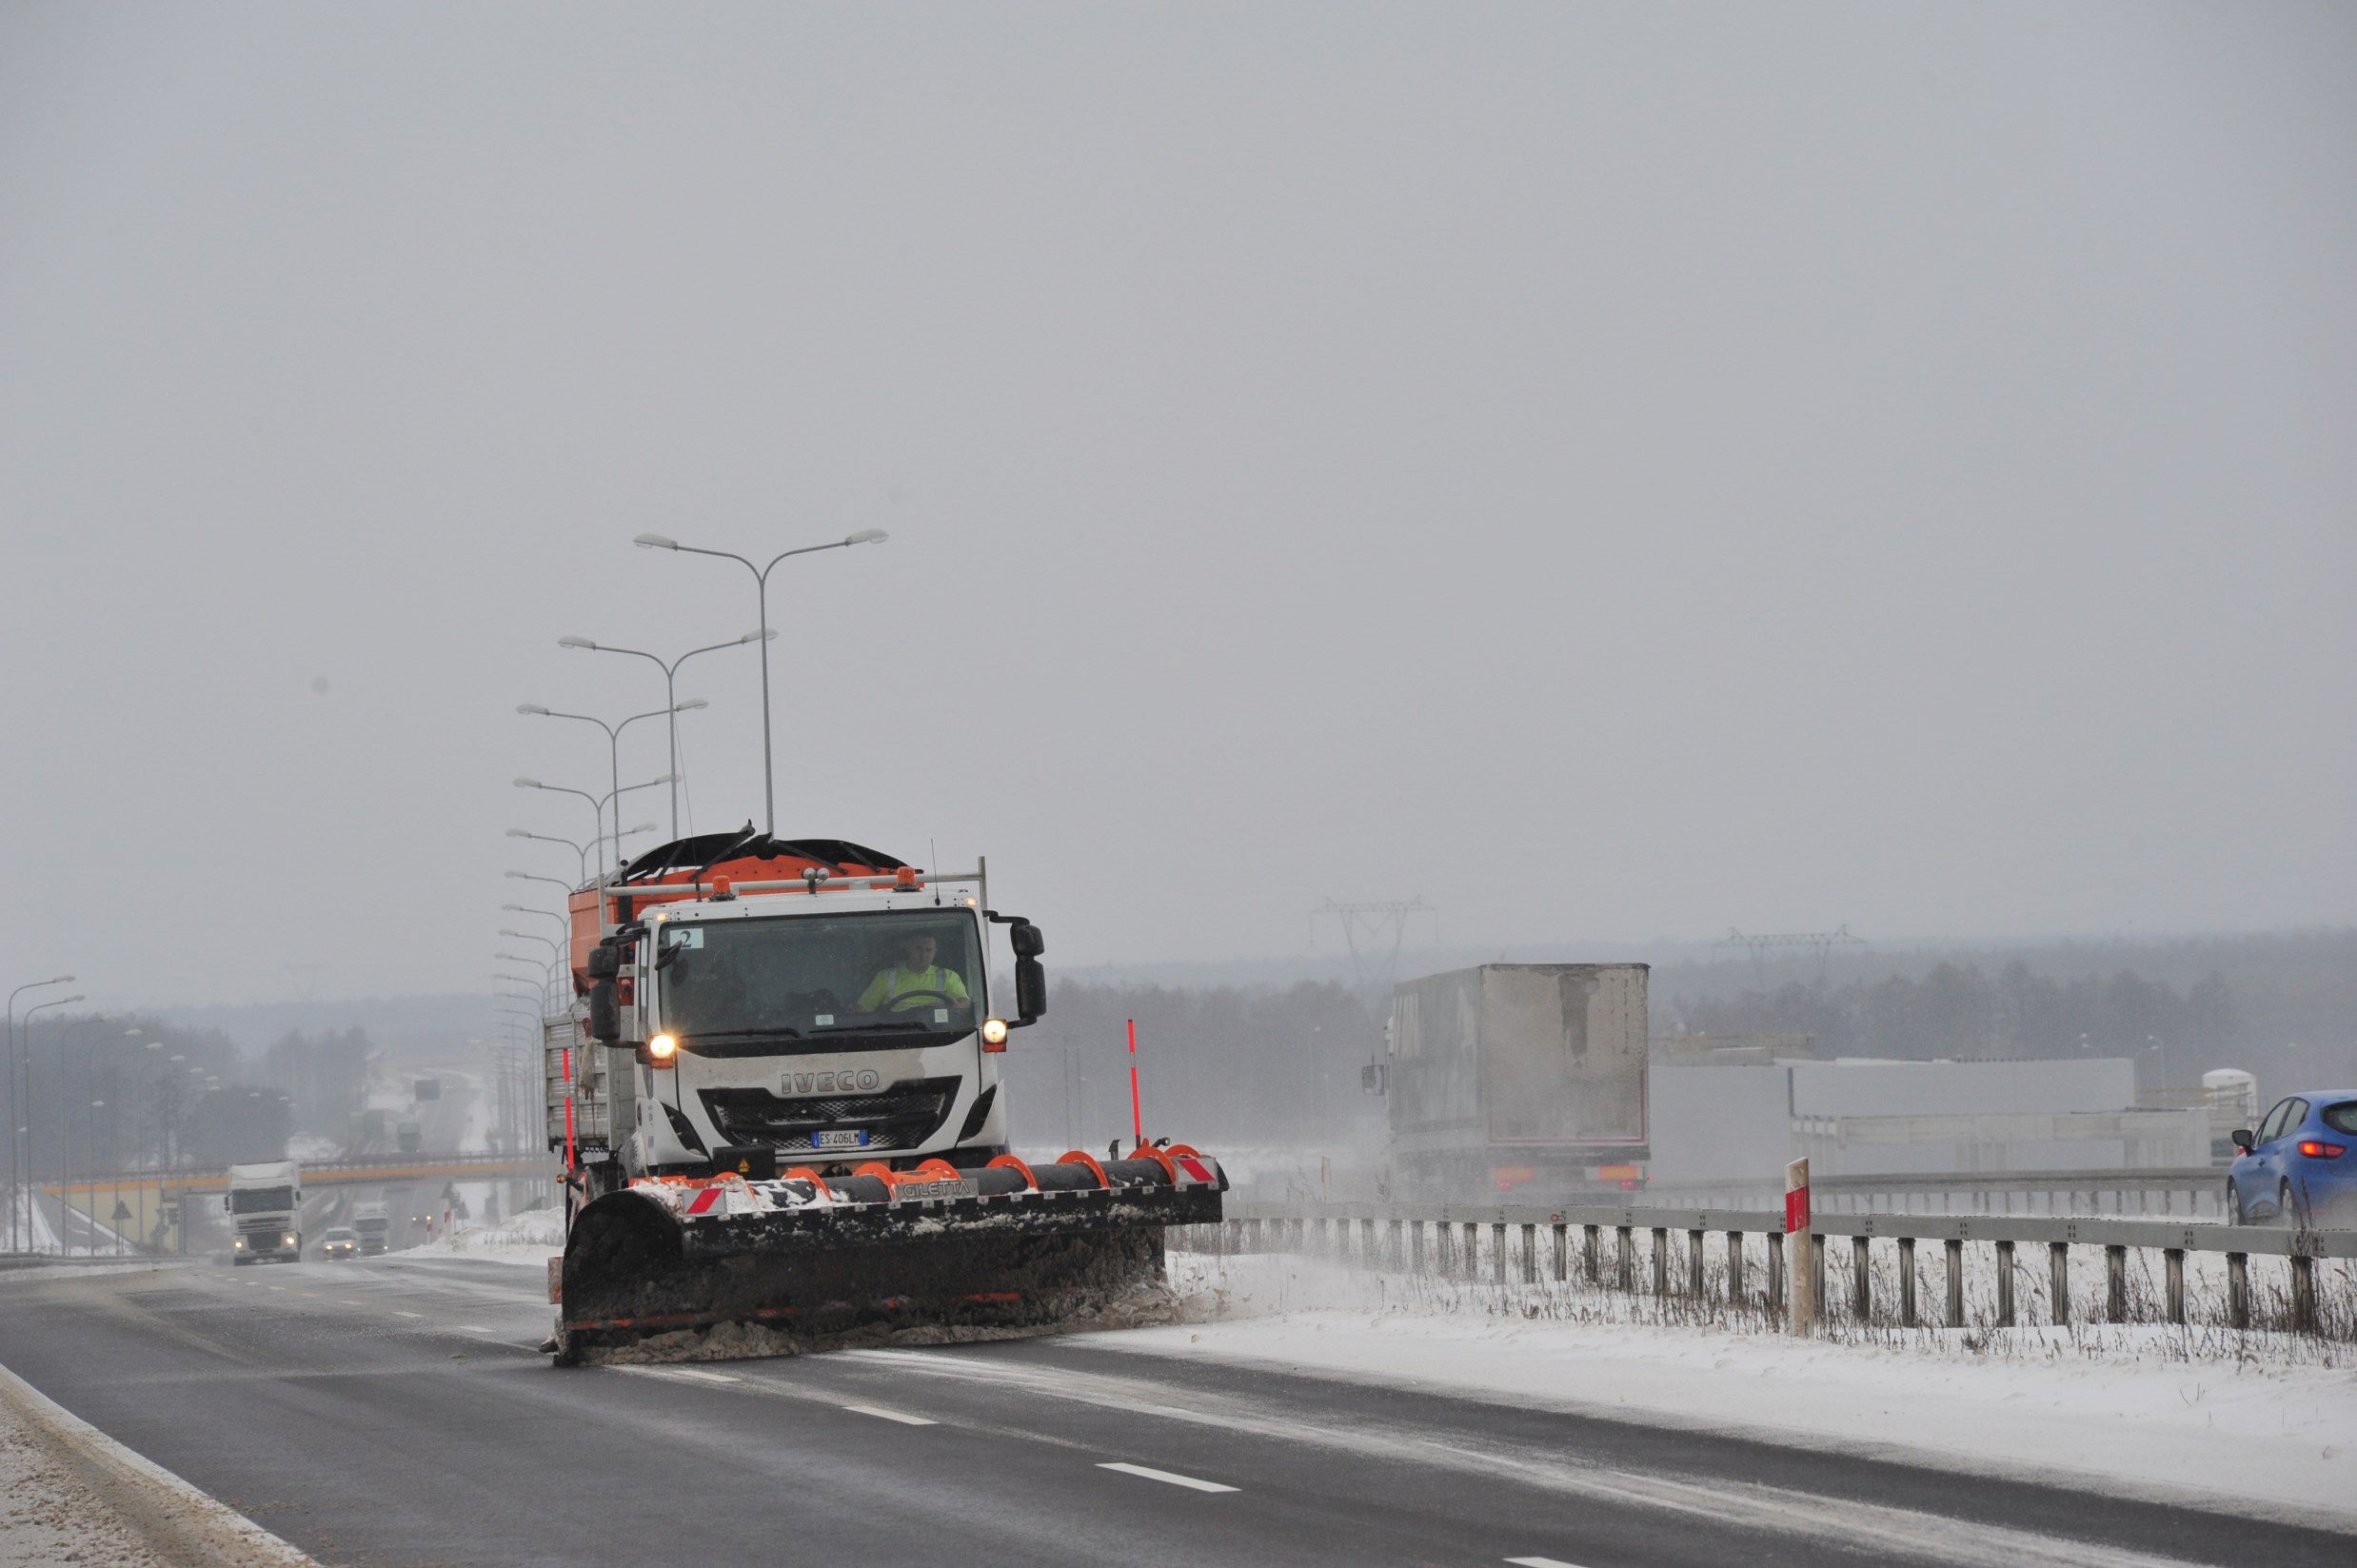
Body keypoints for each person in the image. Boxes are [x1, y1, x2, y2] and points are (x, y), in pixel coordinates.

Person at [856, 931, 969, 1013]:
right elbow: (863, 1009)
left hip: (937, 1032)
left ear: (935, 952)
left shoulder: (948, 976)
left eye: (928, 950)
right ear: (908, 948)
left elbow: (964, 1002)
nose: (923, 955)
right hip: (897, 1033)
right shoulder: (885, 977)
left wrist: (958, 1006)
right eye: (918, 949)